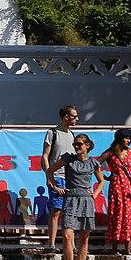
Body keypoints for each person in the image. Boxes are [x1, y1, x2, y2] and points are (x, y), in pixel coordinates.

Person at [47, 133, 103, 260]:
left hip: (86, 201)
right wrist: (55, 186)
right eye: (75, 144)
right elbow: (50, 170)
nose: (76, 146)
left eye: (79, 144)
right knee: (67, 236)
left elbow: (101, 181)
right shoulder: (68, 158)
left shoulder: (94, 163)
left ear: (88, 145)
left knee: (84, 238)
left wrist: (95, 194)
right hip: (70, 199)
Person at [99, 128, 131, 258]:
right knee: (116, 214)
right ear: (119, 138)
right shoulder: (110, 152)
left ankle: (128, 249)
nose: (128, 141)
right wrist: (104, 177)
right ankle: (114, 248)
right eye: (126, 138)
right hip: (116, 187)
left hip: (129, 188)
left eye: (130, 138)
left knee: (129, 215)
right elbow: (95, 164)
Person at [42, 105, 78, 251]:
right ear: (66, 117)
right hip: (56, 175)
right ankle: (51, 243)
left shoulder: (72, 134)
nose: (77, 119)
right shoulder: (52, 133)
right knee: (56, 210)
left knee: (70, 212)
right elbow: (45, 155)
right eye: (74, 116)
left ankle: (71, 244)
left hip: (70, 177)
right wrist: (48, 176)